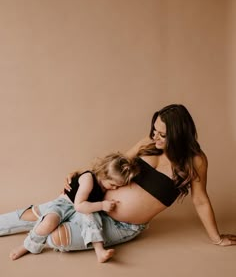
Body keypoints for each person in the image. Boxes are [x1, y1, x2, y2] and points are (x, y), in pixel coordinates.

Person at [1, 104, 236, 257]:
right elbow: (114, 165)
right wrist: (82, 174)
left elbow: (201, 201)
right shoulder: (150, 142)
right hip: (93, 198)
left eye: (162, 134)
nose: (155, 137)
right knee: (38, 213)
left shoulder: (195, 161)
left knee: (56, 235)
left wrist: (216, 239)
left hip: (122, 224)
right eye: (154, 130)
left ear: (179, 135)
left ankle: (40, 234)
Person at [9, 153, 139, 262]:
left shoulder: (104, 183)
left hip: (85, 208)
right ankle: (28, 246)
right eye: (113, 185)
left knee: (93, 221)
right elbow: (79, 205)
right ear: (104, 174)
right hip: (66, 204)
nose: (115, 188)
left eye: (118, 187)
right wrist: (102, 205)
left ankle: (99, 251)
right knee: (48, 222)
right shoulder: (88, 179)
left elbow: (85, 209)